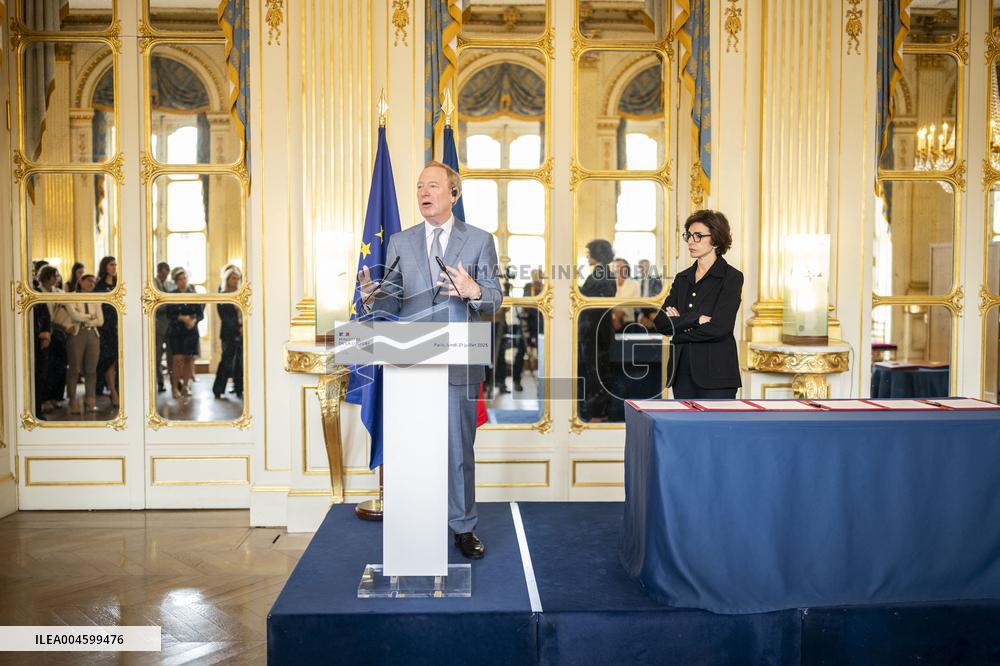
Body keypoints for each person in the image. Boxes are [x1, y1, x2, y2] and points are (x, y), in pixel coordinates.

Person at [359, 160, 502, 559]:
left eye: (433, 186)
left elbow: (495, 297)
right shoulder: (401, 242)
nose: (423, 192)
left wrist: (474, 289)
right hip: (411, 363)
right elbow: (395, 296)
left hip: (459, 358)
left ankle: (462, 527)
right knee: (413, 448)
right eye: (420, 185)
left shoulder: (478, 240)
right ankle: (415, 520)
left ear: (454, 194)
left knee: (458, 450)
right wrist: (374, 295)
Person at [652, 210, 743, 399]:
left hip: (717, 374)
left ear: (716, 240)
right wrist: (696, 318)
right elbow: (661, 323)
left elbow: (720, 328)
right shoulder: (682, 278)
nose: (691, 241)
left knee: (715, 429)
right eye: (689, 236)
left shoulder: (731, 278)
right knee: (684, 429)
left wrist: (679, 331)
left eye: (698, 236)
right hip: (681, 372)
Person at [578, 239, 616, 421]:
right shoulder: (601, 272)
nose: (586, 257)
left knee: (596, 372)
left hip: (596, 330)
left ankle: (598, 413)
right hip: (594, 330)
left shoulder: (602, 273)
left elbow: (595, 300)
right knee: (594, 371)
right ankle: (595, 410)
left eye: (588, 253)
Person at [64, 274, 104, 414]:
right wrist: (90, 317)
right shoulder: (71, 296)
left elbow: (100, 321)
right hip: (77, 333)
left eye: (94, 282)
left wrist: (86, 319)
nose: (91, 284)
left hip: (93, 334)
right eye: (88, 281)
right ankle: (72, 400)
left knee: (91, 369)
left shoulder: (96, 298)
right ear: (80, 281)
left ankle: (90, 399)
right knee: (74, 368)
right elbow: (75, 316)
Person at [167, 268, 203, 400]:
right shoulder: (172, 295)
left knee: (189, 359)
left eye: (185, 279)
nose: (183, 281)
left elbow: (200, 314)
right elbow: (169, 314)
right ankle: (174, 387)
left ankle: (186, 386)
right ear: (176, 282)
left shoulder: (193, 294)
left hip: (191, 331)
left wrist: (193, 320)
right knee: (177, 360)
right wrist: (182, 318)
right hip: (177, 331)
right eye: (180, 279)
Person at [213, 266, 244, 400]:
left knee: (240, 362)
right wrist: (239, 328)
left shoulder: (241, 294)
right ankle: (218, 390)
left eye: (237, 278)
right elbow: (225, 317)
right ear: (227, 279)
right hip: (228, 333)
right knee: (226, 361)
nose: (235, 281)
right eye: (233, 278)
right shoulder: (223, 295)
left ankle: (239, 389)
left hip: (242, 333)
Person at [94, 256, 120, 407]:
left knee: (118, 361)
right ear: (105, 266)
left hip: (119, 327)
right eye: (111, 264)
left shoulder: (118, 284)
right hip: (105, 327)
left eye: (115, 265)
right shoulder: (99, 286)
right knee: (109, 360)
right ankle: (113, 392)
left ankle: (118, 389)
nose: (114, 267)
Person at [153, 262, 172, 392]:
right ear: (159, 272)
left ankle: (173, 381)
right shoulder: (153, 283)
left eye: (167, 274)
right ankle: (160, 381)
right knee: (157, 354)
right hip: (158, 324)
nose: (165, 276)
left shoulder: (169, 284)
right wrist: (168, 304)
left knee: (171, 354)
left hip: (169, 325)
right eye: (163, 273)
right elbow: (156, 304)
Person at [611, 257, 640, 332]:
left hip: (628, 322)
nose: (619, 269)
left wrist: (617, 317)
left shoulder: (635, 284)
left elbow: (634, 303)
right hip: (610, 321)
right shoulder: (609, 284)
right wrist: (614, 317)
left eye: (622, 266)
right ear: (612, 269)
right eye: (617, 266)